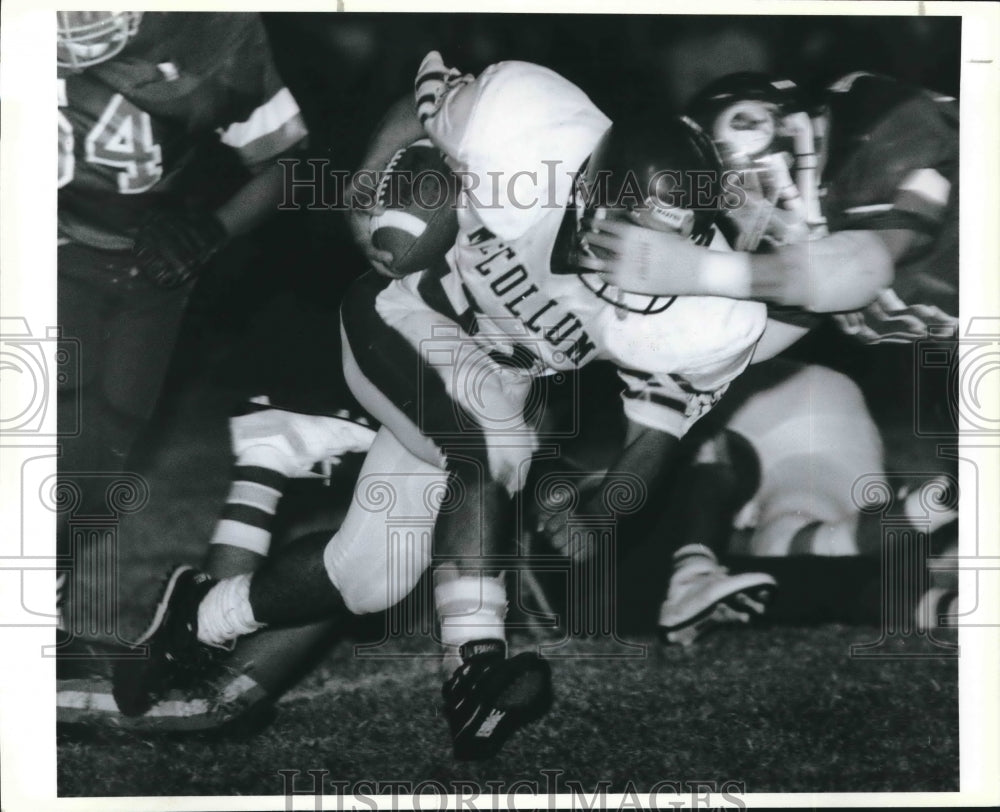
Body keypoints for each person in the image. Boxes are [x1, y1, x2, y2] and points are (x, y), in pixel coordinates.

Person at [112, 51, 779, 759]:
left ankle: (199, 617)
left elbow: (656, 438)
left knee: (368, 577)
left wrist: (599, 509)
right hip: (405, 314)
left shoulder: (708, 315)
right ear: (587, 191)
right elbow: (418, 102)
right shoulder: (527, 132)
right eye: (622, 241)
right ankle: (473, 670)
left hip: (495, 382)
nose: (636, 271)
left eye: (660, 252)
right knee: (493, 443)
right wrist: (366, 190)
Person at [581, 71, 959, 640]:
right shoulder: (802, 258)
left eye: (734, 189)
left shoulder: (881, 120)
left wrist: (697, 270)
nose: (740, 215)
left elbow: (865, 266)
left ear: (770, 130)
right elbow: (718, 361)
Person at [56, 11, 309, 639]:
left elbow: (288, 164)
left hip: (143, 272)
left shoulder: (218, 30)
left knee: (93, 467)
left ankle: (41, 605)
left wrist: (206, 228)